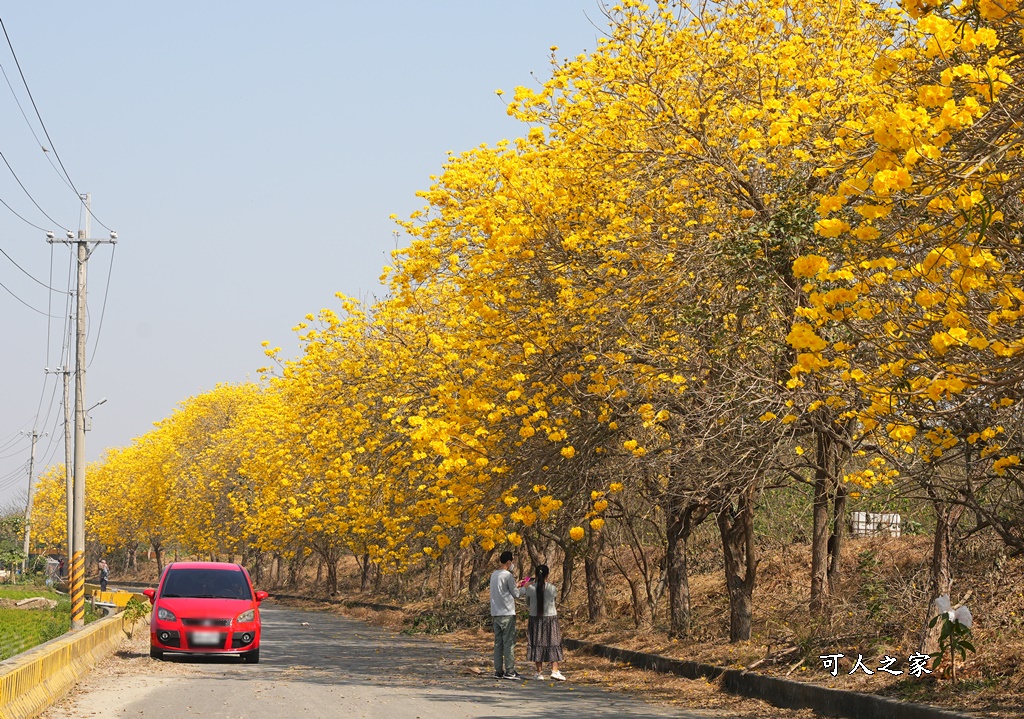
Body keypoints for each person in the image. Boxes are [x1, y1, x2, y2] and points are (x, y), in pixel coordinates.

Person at [489, 550, 527, 680]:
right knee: (509, 643)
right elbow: (516, 594)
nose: (513, 564)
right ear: (509, 562)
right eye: (513, 562)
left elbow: (503, 590)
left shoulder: (494, 575)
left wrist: (517, 585)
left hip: (495, 613)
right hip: (507, 613)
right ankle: (510, 671)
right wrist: (525, 587)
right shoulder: (508, 575)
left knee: (498, 643)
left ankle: (498, 670)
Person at [524, 564, 566, 681]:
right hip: (550, 618)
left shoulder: (530, 589)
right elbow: (553, 600)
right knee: (553, 642)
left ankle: (539, 673)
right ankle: (555, 670)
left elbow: (528, 603)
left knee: (537, 642)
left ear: (536, 575)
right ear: (548, 575)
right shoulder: (552, 588)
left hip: (535, 619)